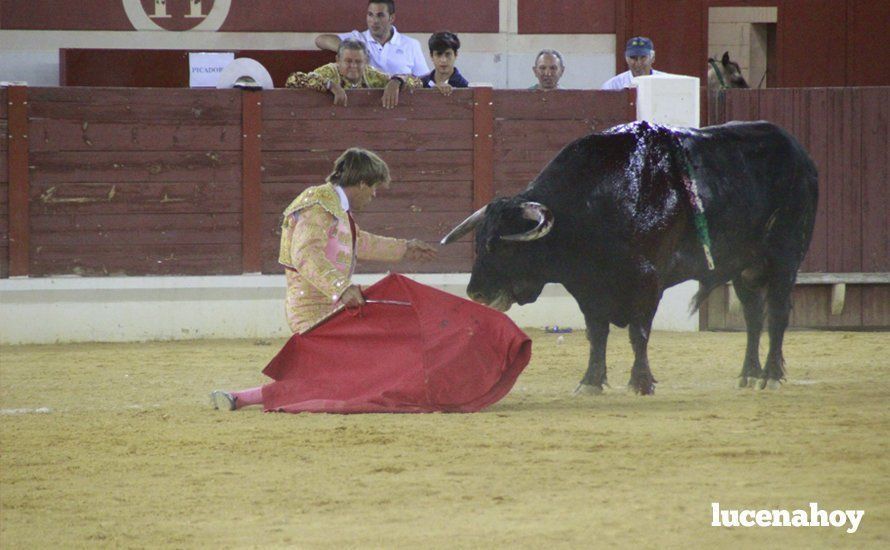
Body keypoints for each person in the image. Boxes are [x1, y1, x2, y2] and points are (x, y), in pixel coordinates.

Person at [211, 148, 437, 411]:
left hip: (332, 304)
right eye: (374, 188)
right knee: (337, 380)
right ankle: (241, 397)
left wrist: (405, 247)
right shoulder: (317, 203)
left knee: (341, 375)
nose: (374, 195)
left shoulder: (335, 208)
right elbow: (305, 253)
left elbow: (359, 242)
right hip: (312, 308)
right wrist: (341, 287)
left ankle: (239, 398)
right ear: (362, 183)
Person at [286, 39, 420, 108]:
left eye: (358, 62)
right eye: (348, 61)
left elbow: (418, 82)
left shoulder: (371, 75)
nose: (354, 66)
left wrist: (396, 81)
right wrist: (329, 85)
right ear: (338, 60)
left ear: (366, 62)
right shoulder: (329, 72)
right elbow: (293, 80)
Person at [314, 1, 428, 77]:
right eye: (370, 15)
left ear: (392, 18)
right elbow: (320, 40)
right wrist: (352, 51)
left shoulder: (411, 44)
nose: (374, 21)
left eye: (380, 15)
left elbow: (423, 80)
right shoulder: (358, 39)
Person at [420, 31, 469, 95]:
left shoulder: (464, 86)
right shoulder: (422, 84)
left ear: (456, 55)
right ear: (431, 56)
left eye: (448, 54)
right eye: (438, 54)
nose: (443, 60)